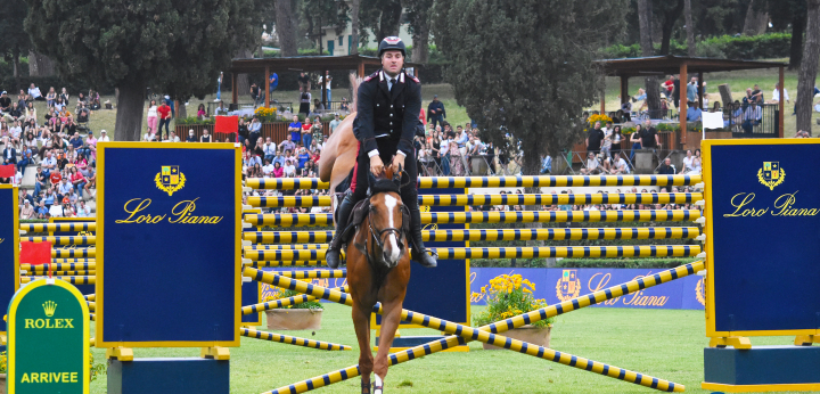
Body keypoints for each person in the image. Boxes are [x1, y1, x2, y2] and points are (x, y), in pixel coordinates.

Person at [325, 36, 437, 269]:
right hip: (370, 148)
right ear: (382, 60)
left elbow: (410, 122)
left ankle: (419, 248)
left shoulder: (413, 86)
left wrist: (402, 154)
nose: (393, 60)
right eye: (389, 56)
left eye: (397, 56)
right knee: (355, 193)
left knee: (410, 198)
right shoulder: (368, 85)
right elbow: (363, 122)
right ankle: (335, 245)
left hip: (402, 149)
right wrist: (373, 154)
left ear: (403, 60)